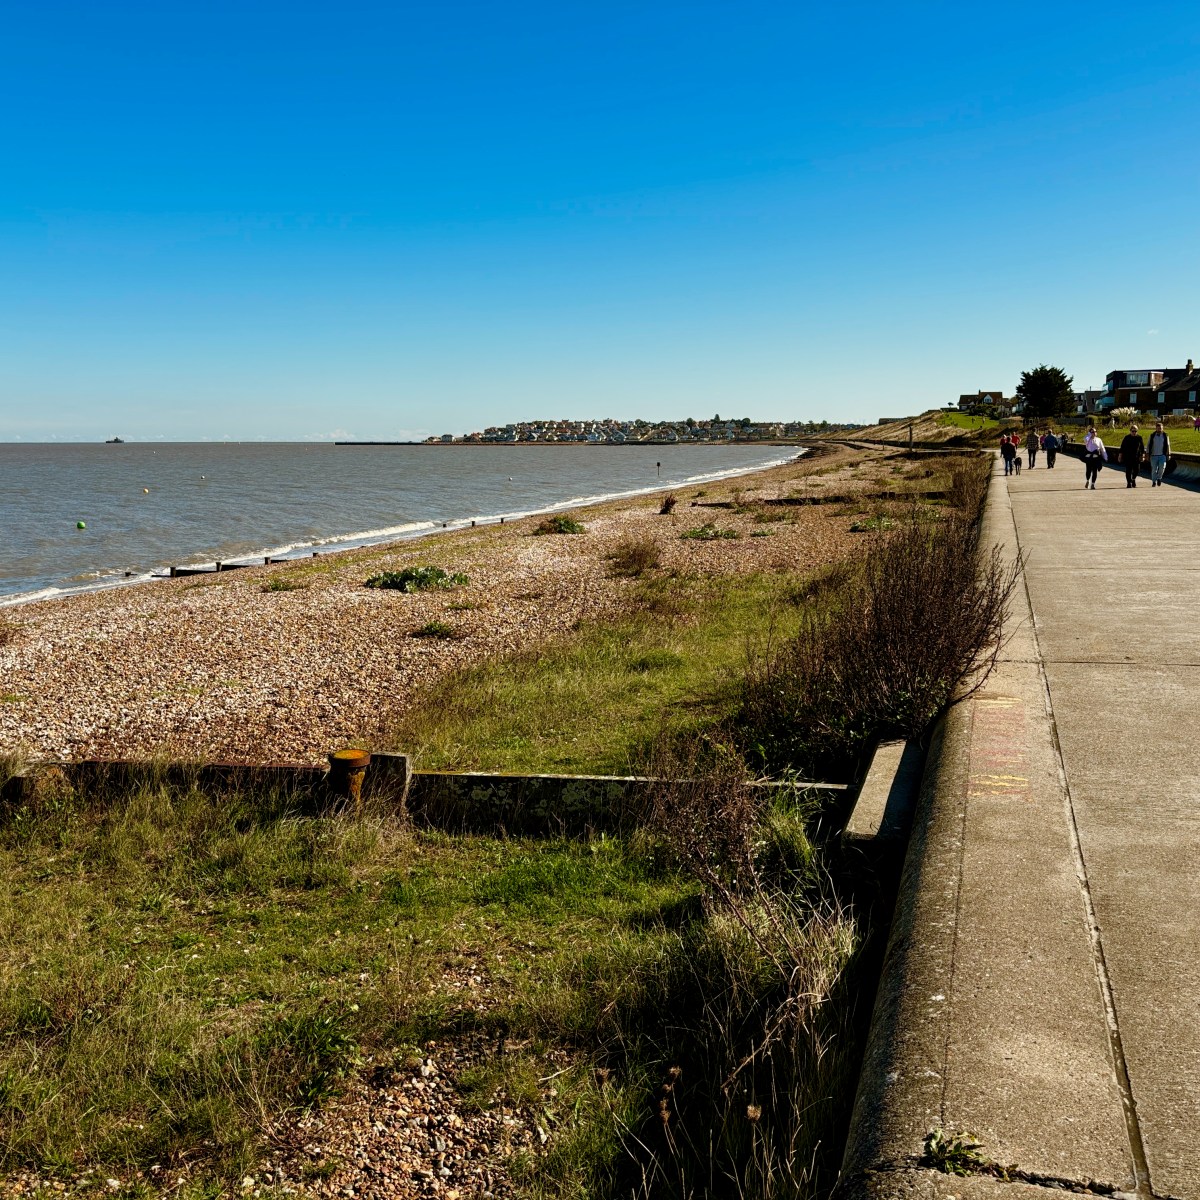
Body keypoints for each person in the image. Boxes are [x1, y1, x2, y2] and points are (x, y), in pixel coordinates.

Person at [1118, 423, 1145, 488]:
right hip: (1128, 457)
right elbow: (1122, 447)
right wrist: (1120, 456)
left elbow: (1142, 447)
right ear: (1130, 431)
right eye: (1133, 431)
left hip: (1137, 457)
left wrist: (1142, 455)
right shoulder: (1126, 438)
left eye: (1135, 431)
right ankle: (1128, 483)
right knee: (1128, 471)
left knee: (1137, 470)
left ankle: (1133, 479)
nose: (1134, 432)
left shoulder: (1139, 438)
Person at [1146, 420, 1171, 487]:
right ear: (1156, 428)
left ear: (1162, 428)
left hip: (1162, 455)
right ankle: (1154, 481)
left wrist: (1169, 454)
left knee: (1162, 468)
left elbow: (1168, 445)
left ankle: (1159, 478)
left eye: (1160, 428)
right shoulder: (1152, 435)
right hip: (1153, 455)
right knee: (1154, 469)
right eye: (1158, 428)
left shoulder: (1165, 436)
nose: (1159, 429)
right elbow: (1148, 445)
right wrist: (1147, 454)